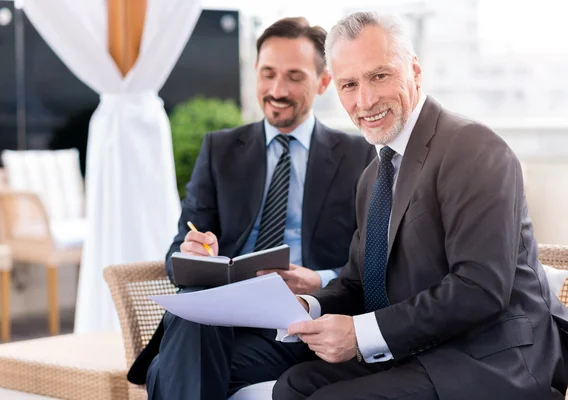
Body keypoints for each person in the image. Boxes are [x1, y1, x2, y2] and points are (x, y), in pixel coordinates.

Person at [274, 11, 568, 400]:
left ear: (414, 70)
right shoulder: (373, 177)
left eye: (379, 76)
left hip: (492, 359)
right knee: (293, 386)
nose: (365, 100)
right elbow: (357, 283)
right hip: (420, 351)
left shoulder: (473, 148)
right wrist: (306, 307)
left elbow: (479, 289)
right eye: (349, 84)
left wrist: (360, 335)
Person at [126, 16, 376, 399]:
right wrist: (193, 253)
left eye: (294, 76)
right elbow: (176, 258)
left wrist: (320, 279)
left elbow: (376, 265)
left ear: (323, 82)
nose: (277, 89)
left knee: (166, 369)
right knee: (196, 303)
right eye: (267, 74)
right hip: (223, 320)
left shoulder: (360, 156)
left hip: (302, 324)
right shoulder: (219, 151)